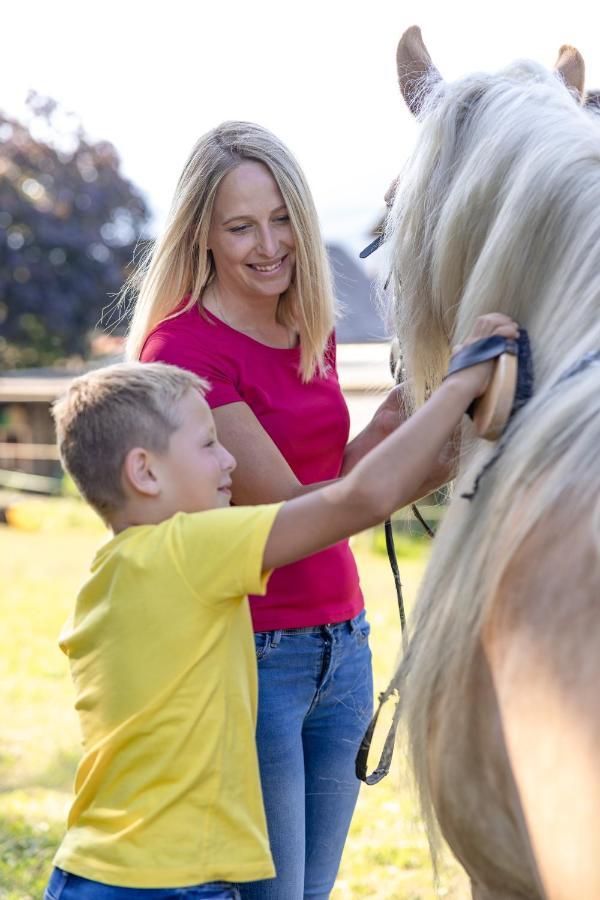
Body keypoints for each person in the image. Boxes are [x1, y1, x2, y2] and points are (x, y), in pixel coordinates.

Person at [45, 313, 517, 898]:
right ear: (144, 472)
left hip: (102, 870)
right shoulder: (191, 550)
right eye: (209, 444)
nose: (230, 462)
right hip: (165, 883)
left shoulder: (120, 567)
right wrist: (461, 386)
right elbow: (358, 500)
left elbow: (346, 494)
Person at [127, 121, 444, 900]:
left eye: (282, 221)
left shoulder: (308, 324)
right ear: (202, 232)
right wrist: (441, 443)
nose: (269, 245)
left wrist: (405, 412)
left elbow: (333, 470)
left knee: (311, 890)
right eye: (241, 227)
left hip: (345, 643)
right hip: (254, 655)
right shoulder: (183, 351)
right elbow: (297, 516)